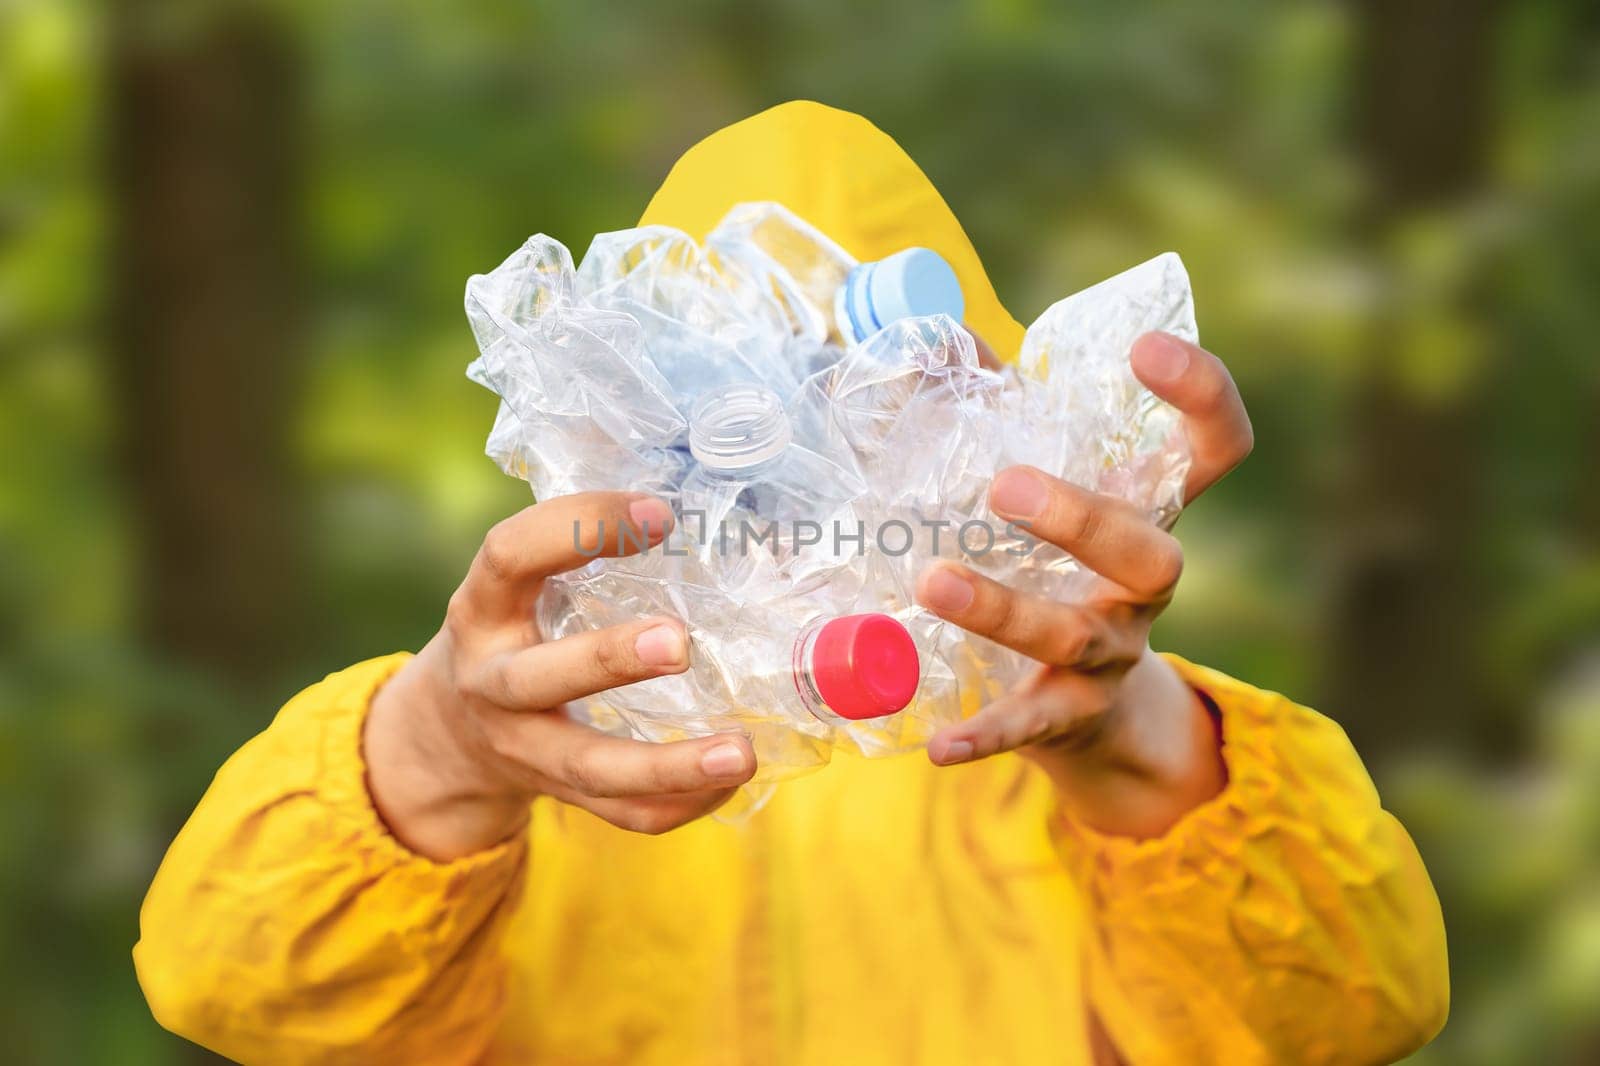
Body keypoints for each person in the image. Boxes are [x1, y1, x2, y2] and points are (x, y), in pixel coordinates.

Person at [134, 101, 1449, 1065]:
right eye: (759, 436)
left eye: (880, 425)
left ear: (987, 419)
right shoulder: (536, 754)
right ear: (628, 440)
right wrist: (438, 747)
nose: (811, 513)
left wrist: (1142, 747)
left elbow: (1356, 1009)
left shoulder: (1093, 741)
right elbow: (227, 986)